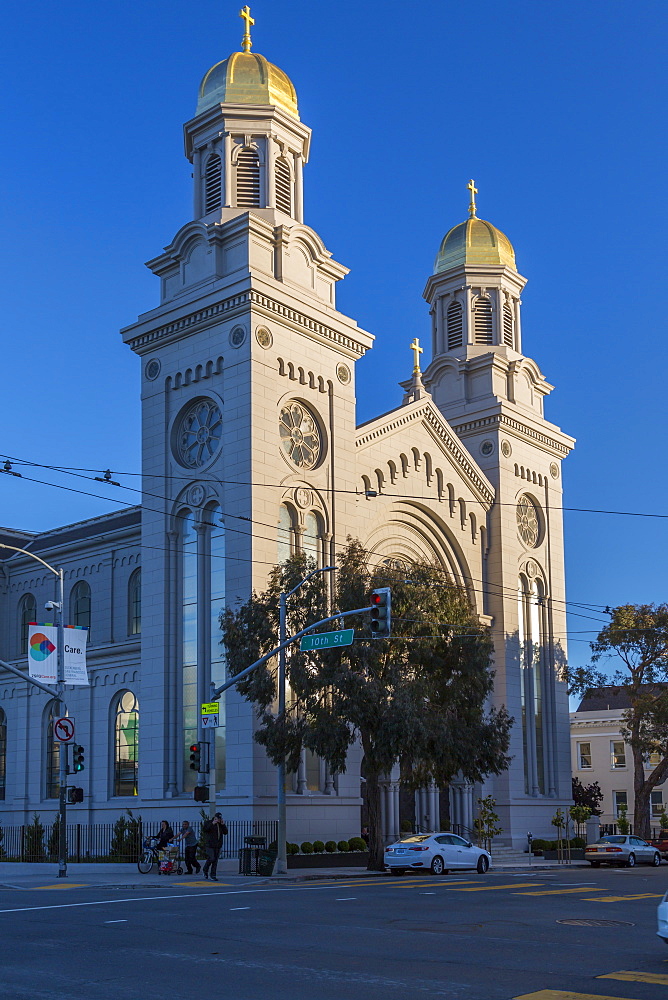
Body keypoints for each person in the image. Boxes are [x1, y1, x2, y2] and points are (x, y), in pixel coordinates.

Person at [202, 813, 227, 881]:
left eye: (220, 819)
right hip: (210, 844)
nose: (218, 820)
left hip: (218, 845)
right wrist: (212, 823)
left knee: (215, 861)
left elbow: (225, 832)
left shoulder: (220, 825)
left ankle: (213, 875)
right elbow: (205, 829)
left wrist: (223, 824)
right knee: (211, 858)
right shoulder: (209, 823)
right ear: (215, 817)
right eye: (218, 818)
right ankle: (205, 869)